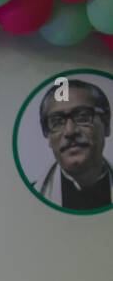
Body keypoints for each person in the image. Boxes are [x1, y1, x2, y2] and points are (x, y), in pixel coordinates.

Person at [31, 79, 112, 211]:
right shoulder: (26, 199)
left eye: (82, 116)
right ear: (48, 137)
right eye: (57, 121)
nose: (70, 131)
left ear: (106, 125)